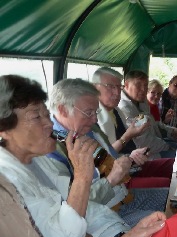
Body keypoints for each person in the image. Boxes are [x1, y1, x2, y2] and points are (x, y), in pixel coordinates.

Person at [0, 74, 166, 237]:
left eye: (46, 114)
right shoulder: (10, 184)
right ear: (4, 128)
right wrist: (84, 177)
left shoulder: (38, 160)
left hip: (102, 223)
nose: (49, 123)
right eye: (36, 116)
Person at [47, 78, 167, 223]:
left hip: (125, 196)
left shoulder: (92, 130)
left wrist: (130, 160)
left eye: (96, 111)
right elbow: (71, 207)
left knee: (175, 200)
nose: (95, 119)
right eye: (89, 112)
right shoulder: (52, 152)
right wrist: (111, 180)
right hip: (104, 216)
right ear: (63, 110)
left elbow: (112, 162)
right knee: (169, 223)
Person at [93, 67, 174, 188]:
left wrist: (134, 153)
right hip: (118, 180)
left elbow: (152, 126)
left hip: (134, 164)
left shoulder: (117, 111)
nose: (116, 93)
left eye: (118, 87)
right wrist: (129, 138)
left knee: (174, 165)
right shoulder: (92, 119)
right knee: (167, 185)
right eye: (110, 86)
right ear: (94, 88)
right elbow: (102, 160)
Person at [118, 71, 177, 159]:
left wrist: (174, 131)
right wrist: (167, 146)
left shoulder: (142, 101)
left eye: (145, 86)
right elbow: (143, 141)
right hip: (144, 155)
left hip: (156, 143)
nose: (143, 90)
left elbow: (156, 124)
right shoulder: (124, 108)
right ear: (127, 84)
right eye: (138, 85)